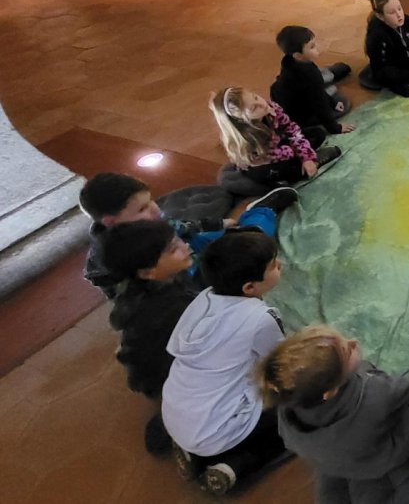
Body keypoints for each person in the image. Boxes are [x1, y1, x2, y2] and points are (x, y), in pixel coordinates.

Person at [259, 324, 409, 502]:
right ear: (330, 391)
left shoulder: (287, 408)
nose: (353, 341)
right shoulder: (373, 393)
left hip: (332, 458)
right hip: (381, 456)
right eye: (347, 350)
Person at [161, 230, 290, 495]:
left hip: (175, 414)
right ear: (249, 288)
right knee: (298, 419)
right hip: (215, 429)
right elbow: (280, 361)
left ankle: (195, 454)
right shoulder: (259, 317)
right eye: (273, 265)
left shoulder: (205, 297)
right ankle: (234, 466)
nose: (281, 265)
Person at [78, 172, 296, 297]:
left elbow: (180, 226)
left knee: (246, 241)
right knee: (240, 265)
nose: (156, 210)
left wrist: (218, 224)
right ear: (110, 222)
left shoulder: (151, 221)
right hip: (187, 274)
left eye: (150, 200)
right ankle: (256, 223)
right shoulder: (115, 264)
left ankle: (261, 214)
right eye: (142, 209)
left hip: (189, 247)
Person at [99, 219, 202, 455]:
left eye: (178, 241)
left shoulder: (155, 283)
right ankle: (177, 426)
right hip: (168, 380)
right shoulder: (168, 309)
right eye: (174, 249)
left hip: (159, 371)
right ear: (147, 272)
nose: (185, 246)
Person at [210, 86, 341, 186]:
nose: (262, 104)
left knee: (317, 134)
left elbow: (292, 130)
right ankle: (306, 167)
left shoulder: (271, 108)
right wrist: (295, 152)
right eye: (254, 108)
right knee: (289, 170)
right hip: (263, 163)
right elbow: (270, 155)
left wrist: (306, 156)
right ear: (241, 120)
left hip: (279, 146)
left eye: (256, 97)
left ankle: (305, 162)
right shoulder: (249, 137)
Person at [270, 25, 355, 135]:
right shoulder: (310, 75)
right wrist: (335, 128)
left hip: (286, 102)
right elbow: (319, 103)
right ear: (298, 55)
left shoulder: (288, 61)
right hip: (301, 115)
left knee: (333, 76)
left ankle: (332, 74)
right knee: (331, 91)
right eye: (312, 47)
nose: (317, 47)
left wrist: (331, 102)